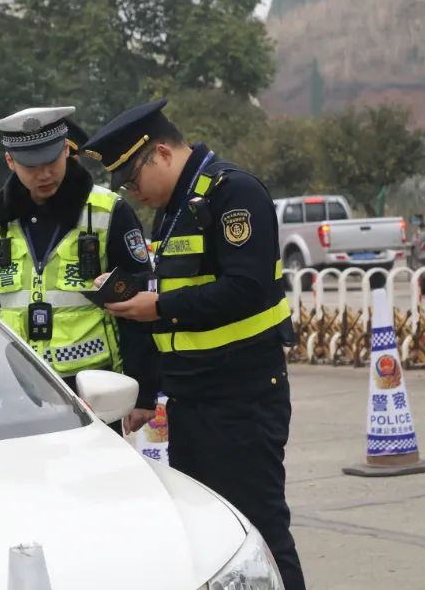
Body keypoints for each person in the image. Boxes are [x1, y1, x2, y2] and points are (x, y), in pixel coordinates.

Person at [81, 99, 306, 590]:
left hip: (243, 396)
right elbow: (180, 292)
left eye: (132, 179)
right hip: (192, 398)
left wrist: (158, 306)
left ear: (161, 153)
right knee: (212, 538)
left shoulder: (233, 193)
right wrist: (130, 296)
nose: (133, 193)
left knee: (260, 532)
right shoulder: (174, 210)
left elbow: (246, 288)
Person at [0, 106, 158, 427]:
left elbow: (137, 305)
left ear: (67, 150)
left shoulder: (108, 211)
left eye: (52, 161)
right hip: (16, 390)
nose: (44, 174)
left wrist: (144, 392)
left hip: (92, 389)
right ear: (10, 161)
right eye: (31, 165)